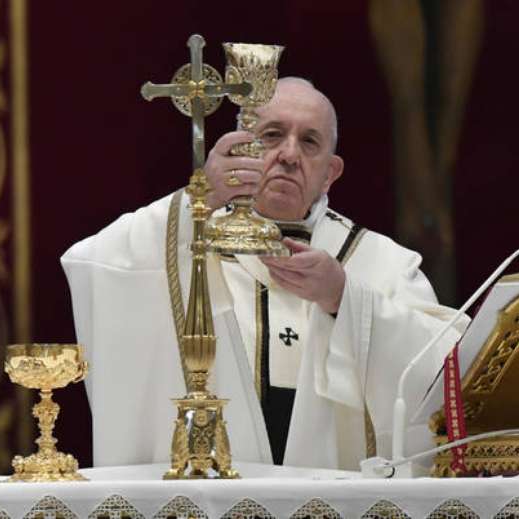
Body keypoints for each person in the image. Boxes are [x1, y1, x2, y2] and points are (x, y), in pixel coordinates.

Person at [61, 77, 466, 471]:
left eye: (309, 142)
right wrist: (202, 197)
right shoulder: (190, 233)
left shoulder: (382, 263)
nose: (289, 155)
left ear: (331, 172)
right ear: (241, 150)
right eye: (272, 135)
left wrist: (344, 297)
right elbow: (94, 261)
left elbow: (444, 367)